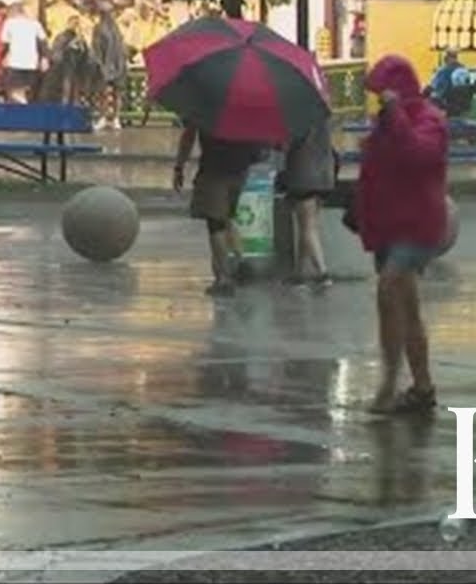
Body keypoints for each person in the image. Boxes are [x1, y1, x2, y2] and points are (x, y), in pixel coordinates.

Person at [346, 54, 449, 414]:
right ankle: (422, 386)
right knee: (406, 303)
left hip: (417, 225)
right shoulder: (385, 127)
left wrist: (397, 119)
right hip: (390, 225)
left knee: (389, 288)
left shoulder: (429, 122)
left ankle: (390, 382)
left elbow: (419, 157)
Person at [173, 124, 266, 297]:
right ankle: (241, 262)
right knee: (227, 217)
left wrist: (179, 166)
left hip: (213, 171)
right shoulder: (242, 108)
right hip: (239, 171)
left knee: (215, 224)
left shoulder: (205, 107)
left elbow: (188, 137)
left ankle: (223, 278)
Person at [278, 116, 336, 288]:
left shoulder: (297, 118)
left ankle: (323, 273)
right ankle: (299, 273)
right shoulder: (322, 116)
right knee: (306, 226)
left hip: (304, 176)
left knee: (308, 227)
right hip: (324, 176)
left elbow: (285, 146)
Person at [90, 0, 129, 130]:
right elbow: (96, 48)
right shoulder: (101, 28)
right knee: (104, 92)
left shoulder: (115, 28)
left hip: (115, 64)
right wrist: (99, 63)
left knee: (115, 92)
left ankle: (114, 118)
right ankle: (105, 117)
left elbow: (122, 46)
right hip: (108, 64)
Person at [0, 3, 48, 104]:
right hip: (31, 63)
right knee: (26, 90)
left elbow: (4, 44)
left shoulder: (9, 23)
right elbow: (43, 42)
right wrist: (44, 58)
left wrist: (2, 57)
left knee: (13, 91)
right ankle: (25, 105)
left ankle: (20, 106)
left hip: (14, 62)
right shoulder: (35, 24)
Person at [425, 48, 472, 116]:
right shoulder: (464, 70)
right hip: (460, 104)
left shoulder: (444, 71)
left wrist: (423, 94)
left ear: (446, 58)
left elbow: (432, 87)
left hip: (445, 101)